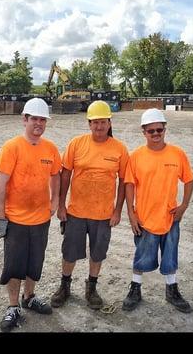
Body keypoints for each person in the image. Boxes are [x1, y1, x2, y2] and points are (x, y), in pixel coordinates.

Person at [51, 100, 129, 310]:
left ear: (109, 123)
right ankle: (64, 286)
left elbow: (124, 181)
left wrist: (117, 211)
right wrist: (60, 205)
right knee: (70, 252)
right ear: (89, 123)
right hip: (76, 211)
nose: (99, 126)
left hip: (103, 214)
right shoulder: (76, 144)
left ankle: (91, 287)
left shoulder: (120, 149)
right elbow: (65, 174)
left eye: (103, 122)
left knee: (97, 253)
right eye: (94, 122)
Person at [0, 97, 61, 332]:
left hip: (41, 219)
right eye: (34, 119)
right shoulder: (11, 148)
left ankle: (29, 297)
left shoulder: (50, 149)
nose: (38, 124)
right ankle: (13, 306)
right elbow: (1, 184)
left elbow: (56, 176)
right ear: (24, 119)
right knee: (14, 266)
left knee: (35, 263)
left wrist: (55, 200)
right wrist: (1, 216)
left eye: (43, 119)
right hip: (16, 220)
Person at [122, 108, 193, 314]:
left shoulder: (177, 154)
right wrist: (131, 214)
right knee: (142, 255)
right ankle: (135, 289)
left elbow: (189, 180)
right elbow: (129, 185)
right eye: (151, 131)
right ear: (143, 132)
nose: (155, 134)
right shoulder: (136, 157)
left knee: (170, 256)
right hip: (145, 218)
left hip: (171, 217)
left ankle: (172, 290)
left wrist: (183, 206)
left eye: (159, 130)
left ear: (165, 129)